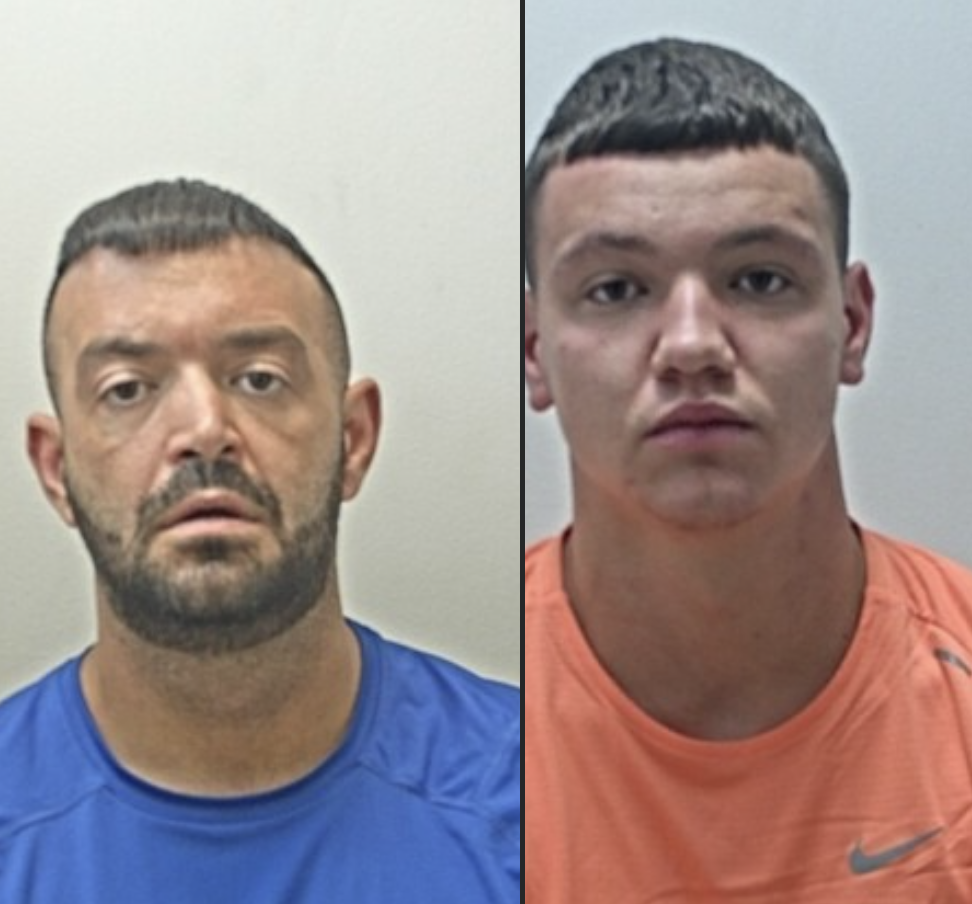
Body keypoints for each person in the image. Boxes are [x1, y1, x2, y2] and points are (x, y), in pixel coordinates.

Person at [524, 37, 972, 901]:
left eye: (760, 280)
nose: (693, 344)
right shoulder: (469, 744)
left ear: (853, 324)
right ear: (534, 349)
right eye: (616, 289)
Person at [0, 178, 520, 902]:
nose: (204, 430)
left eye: (259, 379)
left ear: (353, 439)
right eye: (127, 389)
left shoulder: (535, 799)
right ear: (57, 471)